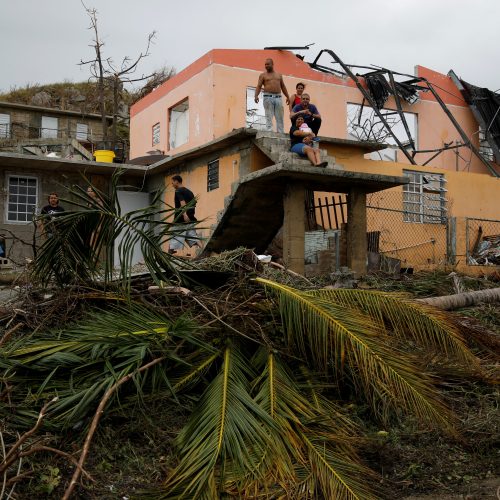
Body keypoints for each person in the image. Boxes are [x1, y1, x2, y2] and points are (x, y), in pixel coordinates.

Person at [254, 58, 290, 133]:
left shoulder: (279, 75)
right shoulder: (262, 75)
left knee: (279, 116)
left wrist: (287, 96)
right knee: (268, 116)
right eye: (265, 64)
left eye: (268, 64)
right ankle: (269, 131)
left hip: (278, 97)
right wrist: (256, 96)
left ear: (272, 64)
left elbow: (283, 86)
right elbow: (259, 86)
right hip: (268, 97)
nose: (266, 66)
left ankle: (280, 132)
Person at [168, 175, 200, 254]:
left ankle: (168, 255)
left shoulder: (178, 191)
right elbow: (194, 205)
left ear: (176, 181)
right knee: (194, 238)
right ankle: (204, 249)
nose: (172, 185)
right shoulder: (190, 192)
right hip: (190, 218)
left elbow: (183, 203)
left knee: (174, 236)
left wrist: (184, 215)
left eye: (172, 183)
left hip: (181, 219)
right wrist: (189, 216)